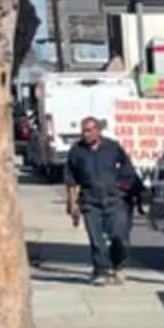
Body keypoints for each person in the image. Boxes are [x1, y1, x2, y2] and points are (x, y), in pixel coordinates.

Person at [64, 116, 142, 283]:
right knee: (96, 239)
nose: (85, 134)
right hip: (91, 201)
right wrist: (72, 204)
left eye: (89, 130)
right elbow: (71, 179)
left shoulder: (112, 148)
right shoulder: (76, 151)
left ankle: (118, 265)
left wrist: (123, 186)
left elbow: (127, 168)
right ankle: (100, 270)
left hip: (116, 200)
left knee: (119, 237)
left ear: (98, 131)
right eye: (83, 131)